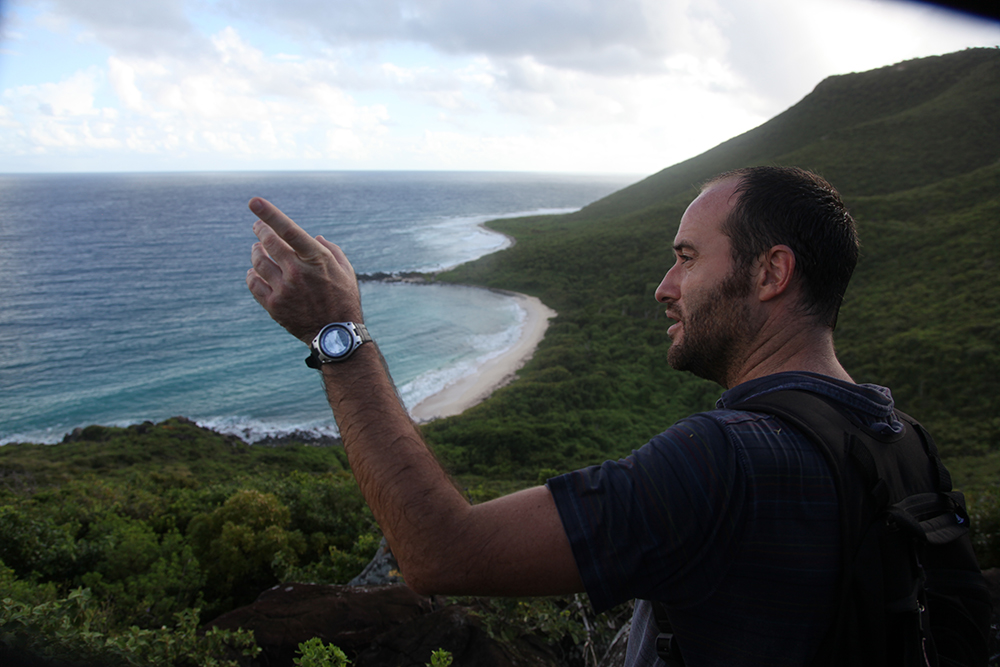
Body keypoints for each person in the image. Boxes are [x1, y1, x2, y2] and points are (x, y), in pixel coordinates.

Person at [246, 166, 879, 665]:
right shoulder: (899, 442)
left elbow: (441, 553)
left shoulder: (724, 460)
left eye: (686, 258)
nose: (664, 286)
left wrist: (337, 334)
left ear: (772, 272)